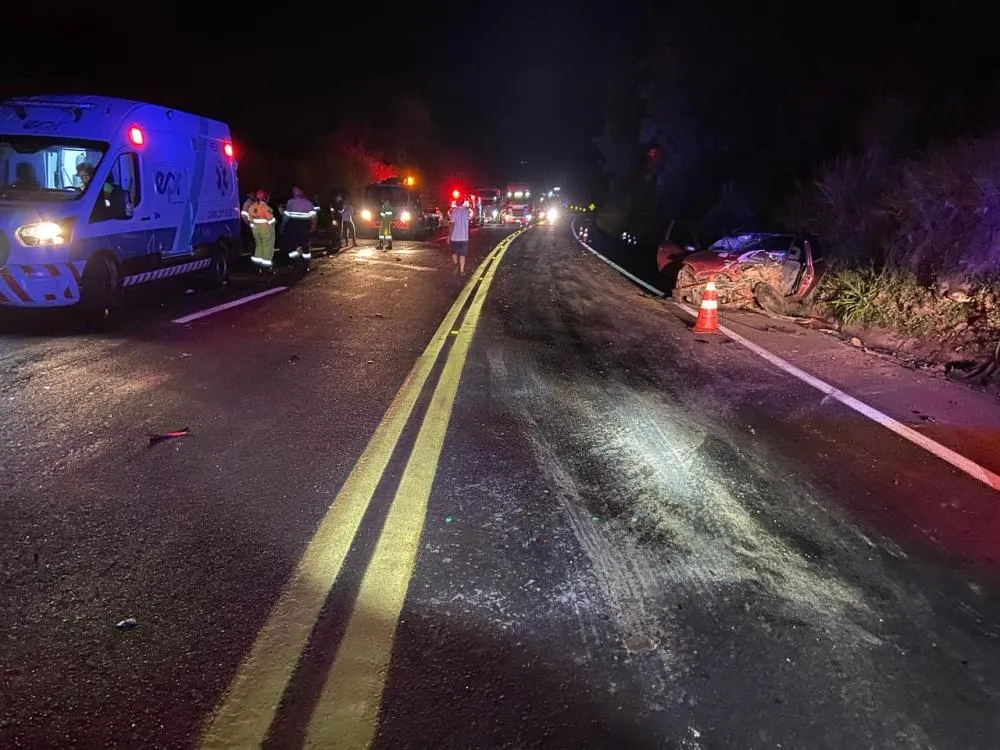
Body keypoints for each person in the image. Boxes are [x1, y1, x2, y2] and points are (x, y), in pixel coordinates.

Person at [281, 186, 317, 267]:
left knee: (292, 246)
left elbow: (286, 217)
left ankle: (295, 263)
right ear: (301, 192)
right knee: (305, 246)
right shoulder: (307, 203)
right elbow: (313, 217)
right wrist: (313, 226)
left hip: (292, 227)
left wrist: (283, 226)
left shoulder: (290, 202)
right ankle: (306, 264)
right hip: (304, 227)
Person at [248, 189, 276, 271]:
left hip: (255, 230)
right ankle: (267, 267)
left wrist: (253, 226)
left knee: (258, 246)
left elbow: (250, 219)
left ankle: (258, 266)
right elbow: (271, 220)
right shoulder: (265, 207)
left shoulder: (252, 207)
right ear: (265, 197)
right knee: (267, 247)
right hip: (265, 230)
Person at [448, 196, 472, 276]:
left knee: (454, 253)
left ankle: (456, 264)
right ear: (463, 202)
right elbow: (468, 223)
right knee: (462, 254)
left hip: (455, 237)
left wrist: (449, 235)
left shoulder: (454, 212)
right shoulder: (467, 211)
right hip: (464, 237)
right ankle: (462, 271)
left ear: (457, 202)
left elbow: (452, 224)